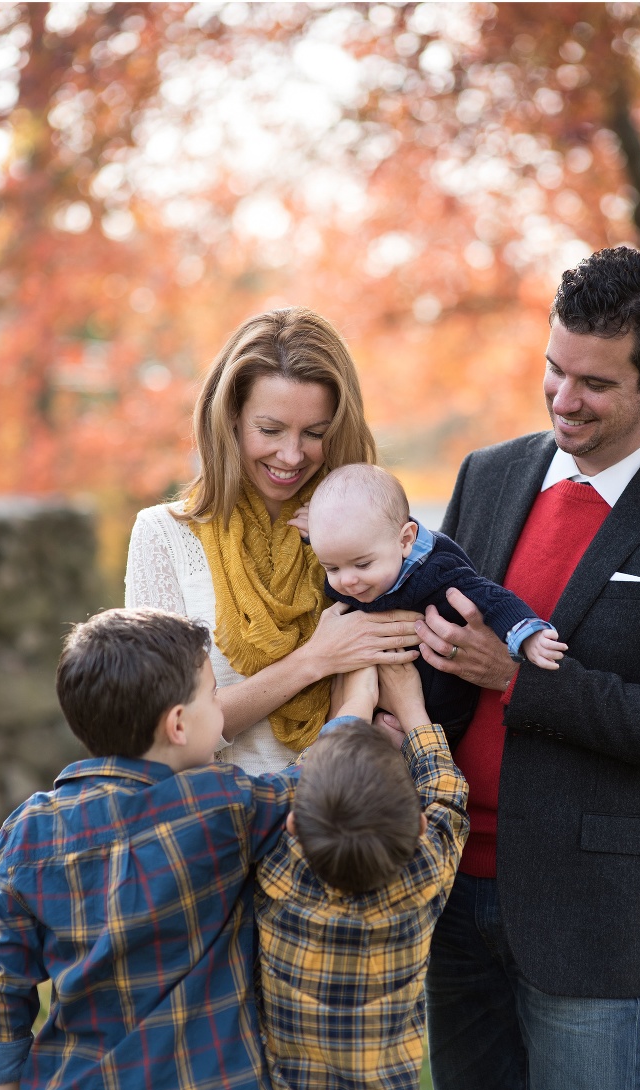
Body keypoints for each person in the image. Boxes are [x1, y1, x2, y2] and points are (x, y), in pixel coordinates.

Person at [410, 246, 640, 1090]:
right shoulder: (490, 474)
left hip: (587, 909)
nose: (562, 397)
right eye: (553, 368)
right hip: (452, 887)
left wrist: (521, 681)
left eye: (594, 382)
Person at [0, 607, 304, 1090]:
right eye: (214, 697)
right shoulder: (217, 805)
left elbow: (4, 987)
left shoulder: (28, 831)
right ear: (178, 724)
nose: (221, 709)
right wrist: (357, 695)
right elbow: (313, 782)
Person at [125, 307, 420, 775]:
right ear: (231, 418)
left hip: (337, 826)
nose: (291, 454)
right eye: (270, 430)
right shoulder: (164, 536)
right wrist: (315, 660)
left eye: (315, 433)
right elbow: (158, 732)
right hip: (211, 829)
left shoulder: (369, 532)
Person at [253, 661, 469, 1090]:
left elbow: (277, 792)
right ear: (416, 828)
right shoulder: (421, 877)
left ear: (293, 828)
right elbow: (447, 797)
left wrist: (350, 710)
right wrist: (411, 708)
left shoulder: (275, 874)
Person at [297, 462, 565, 748]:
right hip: (376, 703)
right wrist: (315, 532)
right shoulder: (363, 548)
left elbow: (490, 597)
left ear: (406, 540)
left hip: (438, 715)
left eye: (362, 564)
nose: (348, 581)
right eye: (332, 568)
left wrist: (526, 634)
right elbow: (346, 542)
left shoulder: (438, 571)